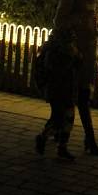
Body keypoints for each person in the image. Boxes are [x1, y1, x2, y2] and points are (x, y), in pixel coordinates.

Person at [37, 0, 98, 159]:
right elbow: (59, 22)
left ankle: (61, 138)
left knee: (77, 102)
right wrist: (79, 18)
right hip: (71, 58)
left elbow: (95, 28)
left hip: (87, 58)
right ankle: (72, 142)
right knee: (73, 103)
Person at [35, 29, 82, 160]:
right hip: (63, 90)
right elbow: (75, 65)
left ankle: (59, 145)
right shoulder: (65, 52)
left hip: (56, 89)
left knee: (62, 117)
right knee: (63, 118)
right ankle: (47, 139)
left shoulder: (52, 48)